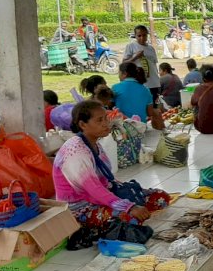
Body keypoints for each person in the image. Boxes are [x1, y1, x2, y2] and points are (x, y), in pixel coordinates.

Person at [53, 100, 169, 249]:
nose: (106, 123)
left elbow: (107, 180)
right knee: (129, 216)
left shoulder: (94, 143)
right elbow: (95, 190)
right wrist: (129, 206)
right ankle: (89, 228)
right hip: (81, 208)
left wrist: (130, 194)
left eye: (106, 118)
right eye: (99, 120)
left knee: (160, 197)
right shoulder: (75, 152)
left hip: (102, 197)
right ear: (83, 125)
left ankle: (116, 219)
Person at [123, 25, 161, 105]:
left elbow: (154, 65)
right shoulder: (131, 46)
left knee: (154, 106)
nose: (142, 38)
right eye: (139, 36)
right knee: (143, 106)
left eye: (144, 35)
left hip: (154, 83)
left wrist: (158, 80)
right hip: (141, 83)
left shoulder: (151, 48)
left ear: (147, 35)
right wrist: (135, 57)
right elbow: (124, 63)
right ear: (135, 36)